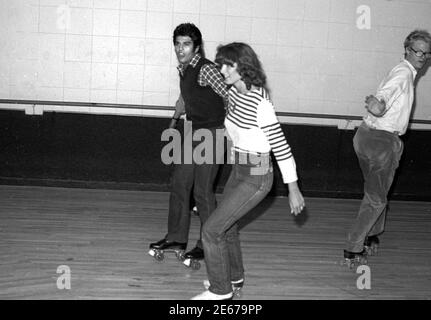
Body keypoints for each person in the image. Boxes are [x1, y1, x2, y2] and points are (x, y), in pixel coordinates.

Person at [191, 42, 305, 300]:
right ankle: (234, 278)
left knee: (211, 230)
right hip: (240, 168)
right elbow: (234, 134)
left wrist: (293, 188)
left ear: (243, 66)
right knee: (227, 227)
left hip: (258, 174)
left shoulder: (260, 101)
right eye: (220, 63)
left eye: (227, 64)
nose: (221, 69)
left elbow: (280, 144)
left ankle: (220, 291)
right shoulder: (233, 94)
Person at [343, 29, 431, 266]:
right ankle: (353, 247)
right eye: (417, 51)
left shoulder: (402, 71)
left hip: (364, 136)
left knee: (377, 193)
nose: (421, 57)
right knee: (376, 198)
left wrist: (378, 107)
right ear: (406, 50)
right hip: (382, 142)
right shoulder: (403, 74)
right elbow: (386, 95)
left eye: (426, 53)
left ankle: (371, 236)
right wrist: (379, 105)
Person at [149, 23, 229, 266]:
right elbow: (184, 97)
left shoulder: (206, 69)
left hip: (212, 134)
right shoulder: (185, 69)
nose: (180, 48)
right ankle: (176, 238)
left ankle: (208, 243)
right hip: (192, 131)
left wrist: (233, 130)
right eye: (177, 43)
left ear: (197, 47)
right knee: (180, 183)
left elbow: (230, 94)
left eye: (186, 44)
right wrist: (174, 121)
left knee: (203, 192)